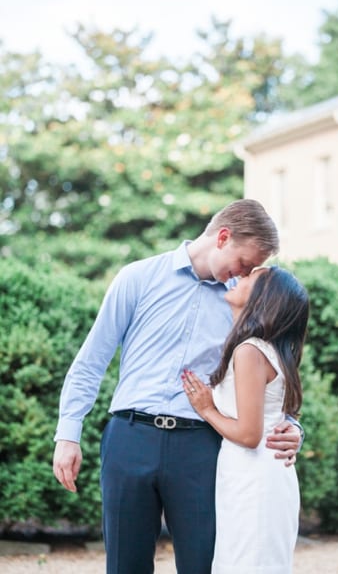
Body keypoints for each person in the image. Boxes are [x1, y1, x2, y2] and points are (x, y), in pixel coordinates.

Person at [52, 199, 303, 574]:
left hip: (202, 448)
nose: (246, 273)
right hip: (129, 438)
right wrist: (67, 435)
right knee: (124, 566)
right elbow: (91, 361)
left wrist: (292, 426)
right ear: (223, 237)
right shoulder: (137, 277)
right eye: (246, 263)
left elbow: (272, 374)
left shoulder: (244, 304)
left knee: (203, 565)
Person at [182, 265, 308, 573]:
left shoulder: (249, 351)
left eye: (253, 277)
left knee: (247, 563)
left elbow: (250, 434)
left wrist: (207, 409)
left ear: (265, 298)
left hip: (254, 476)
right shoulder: (265, 349)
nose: (243, 276)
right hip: (256, 472)